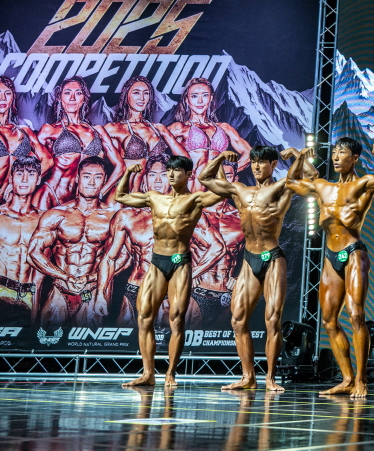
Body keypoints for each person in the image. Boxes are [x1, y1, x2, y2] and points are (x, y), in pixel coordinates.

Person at [285, 138, 374, 399]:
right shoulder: (322, 186)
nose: (335, 157)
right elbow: (290, 183)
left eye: (342, 153)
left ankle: (361, 380)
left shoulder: (364, 184)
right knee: (328, 320)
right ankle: (346, 379)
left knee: (356, 315)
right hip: (330, 256)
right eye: (334, 153)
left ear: (354, 158)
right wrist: (299, 157)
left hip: (354, 252)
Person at [115, 154, 225, 388]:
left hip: (179, 263)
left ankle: (170, 373)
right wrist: (127, 173)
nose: (172, 175)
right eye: (169, 171)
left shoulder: (195, 199)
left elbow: (222, 192)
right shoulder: (155, 198)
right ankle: (148, 373)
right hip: (157, 262)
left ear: (189, 174)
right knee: (144, 317)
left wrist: (220, 162)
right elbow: (120, 196)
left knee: (176, 319)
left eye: (177, 171)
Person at [199, 146, 299, 392]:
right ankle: (248, 377)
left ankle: (271, 378)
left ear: (273, 165)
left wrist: (299, 155)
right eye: (254, 162)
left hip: (272, 258)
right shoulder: (239, 190)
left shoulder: (281, 188)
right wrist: (220, 157)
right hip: (249, 259)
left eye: (262, 162)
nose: (256, 166)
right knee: (237, 320)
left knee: (272, 320)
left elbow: (309, 175)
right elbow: (204, 178)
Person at [108, 156, 219, 327]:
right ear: (145, 178)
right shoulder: (128, 216)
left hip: (171, 286)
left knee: (171, 334)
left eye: (164, 174)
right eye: (152, 174)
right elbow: (113, 258)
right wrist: (101, 293)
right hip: (136, 286)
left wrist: (194, 273)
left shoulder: (188, 208)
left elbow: (217, 247)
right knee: (131, 338)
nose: (158, 180)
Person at [28, 156, 122, 327]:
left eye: (98, 177)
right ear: (78, 178)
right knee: (47, 341)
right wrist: (64, 276)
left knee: (89, 343)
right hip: (60, 290)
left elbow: (124, 258)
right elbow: (33, 253)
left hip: (91, 292)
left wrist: (92, 277)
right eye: (86, 176)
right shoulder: (56, 215)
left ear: (105, 180)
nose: (91, 182)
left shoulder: (113, 218)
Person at [36, 76, 123, 203]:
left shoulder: (97, 131)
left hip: (83, 203)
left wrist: (101, 193)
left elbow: (120, 166)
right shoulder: (49, 130)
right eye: (67, 93)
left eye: (78, 93)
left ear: (84, 98)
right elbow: (29, 166)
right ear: (60, 98)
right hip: (51, 196)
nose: (72, 98)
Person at [102, 75, 187, 191]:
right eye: (136, 92)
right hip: (127, 192)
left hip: (154, 191)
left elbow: (184, 159)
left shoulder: (158, 128)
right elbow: (96, 165)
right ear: (126, 95)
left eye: (146, 93)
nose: (142, 98)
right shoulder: (113, 129)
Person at [190, 157, 245, 330]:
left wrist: (239, 277)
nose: (222, 181)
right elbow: (174, 248)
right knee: (186, 341)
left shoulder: (242, 217)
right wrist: (188, 273)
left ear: (235, 179)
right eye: (216, 177)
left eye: (227, 176)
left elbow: (253, 253)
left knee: (224, 343)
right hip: (197, 291)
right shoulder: (196, 213)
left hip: (227, 295)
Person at [167, 78, 251, 190]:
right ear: (187, 100)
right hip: (190, 189)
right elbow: (153, 151)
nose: (200, 101)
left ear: (211, 98)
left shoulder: (224, 128)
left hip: (217, 191)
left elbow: (249, 153)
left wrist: (231, 170)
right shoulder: (179, 127)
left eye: (205, 95)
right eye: (194, 96)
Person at [0, 155, 49, 324]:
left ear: (38, 179)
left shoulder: (43, 220)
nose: (25, 179)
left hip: (27, 295)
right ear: (11, 178)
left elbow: (39, 274)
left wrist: (35, 317)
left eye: (31, 174)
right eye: (19, 174)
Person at [0, 75, 54, 209]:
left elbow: (48, 161)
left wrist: (22, 184)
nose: (2, 98)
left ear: (13, 97)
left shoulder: (24, 131)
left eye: (8, 93)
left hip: (16, 202)